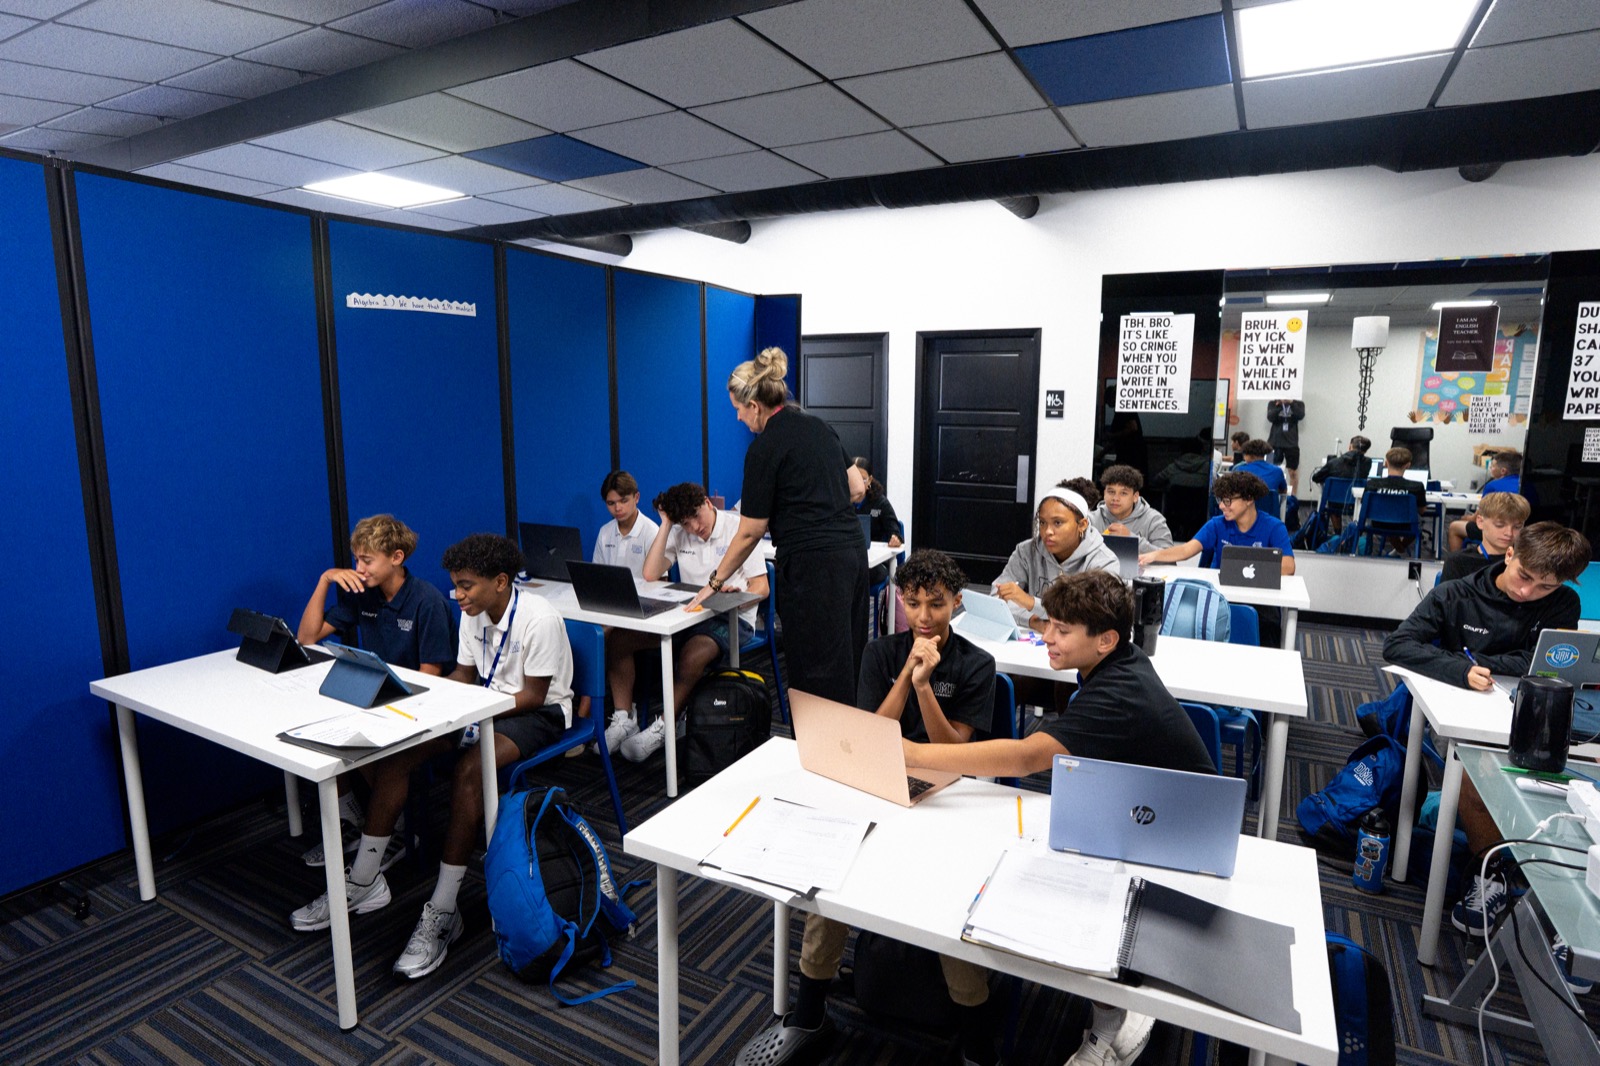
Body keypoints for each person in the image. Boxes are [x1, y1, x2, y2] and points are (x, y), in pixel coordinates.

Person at [902, 570, 1215, 1066]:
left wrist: (915, 755)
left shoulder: (1118, 691)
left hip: (1177, 841)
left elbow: (1027, 758)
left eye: (1062, 630)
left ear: (1106, 639)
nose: (1046, 635)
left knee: (1044, 884)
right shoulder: (1117, 664)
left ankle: (1122, 1009)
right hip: (1143, 811)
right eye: (1049, 623)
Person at [734, 550, 998, 1066]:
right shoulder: (881, 652)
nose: (924, 617)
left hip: (947, 792)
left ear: (957, 603)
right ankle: (808, 1015)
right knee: (827, 877)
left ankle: (979, 1049)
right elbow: (872, 729)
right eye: (915, 603)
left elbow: (957, 755)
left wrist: (927, 688)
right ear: (902, 600)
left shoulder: (976, 665)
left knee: (949, 900)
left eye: (937, 605)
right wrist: (907, 675)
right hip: (880, 779)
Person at [289, 533, 574, 982]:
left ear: (501, 582)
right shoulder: (472, 614)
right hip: (482, 704)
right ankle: (364, 881)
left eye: (466, 587)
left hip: (535, 714)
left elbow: (534, 694)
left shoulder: (539, 619)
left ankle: (443, 909)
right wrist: (428, 709)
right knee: (397, 755)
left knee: (469, 771)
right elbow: (462, 675)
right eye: (454, 586)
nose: (457, 596)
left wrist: (469, 711)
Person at [1382, 523, 1590, 938]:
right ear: (1509, 554)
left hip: (1533, 706)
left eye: (1546, 587)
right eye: (1525, 577)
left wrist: (1489, 662)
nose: (1529, 592)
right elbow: (1399, 645)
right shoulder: (1455, 593)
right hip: (1470, 710)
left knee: (1573, 781)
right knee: (1480, 773)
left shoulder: (1565, 602)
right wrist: (1458, 669)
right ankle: (1490, 871)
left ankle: (1569, 891)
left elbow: (1551, 663)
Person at [691, 348, 868, 706]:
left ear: (754, 405)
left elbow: (749, 532)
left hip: (813, 568)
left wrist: (714, 582)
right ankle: (853, 750)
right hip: (852, 555)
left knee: (815, 671)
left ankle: (819, 755)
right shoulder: (819, 426)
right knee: (849, 659)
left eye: (738, 410)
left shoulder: (764, 449)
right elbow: (857, 489)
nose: (739, 419)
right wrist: (817, 507)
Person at [294, 514, 455, 868]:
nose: (358, 568)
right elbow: (307, 637)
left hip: (418, 705)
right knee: (320, 734)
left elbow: (432, 677)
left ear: (396, 558)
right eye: (356, 560)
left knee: (366, 742)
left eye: (367, 560)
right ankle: (370, 820)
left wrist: (388, 705)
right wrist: (325, 580)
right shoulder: (361, 594)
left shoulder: (426, 601)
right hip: (377, 697)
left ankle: (392, 826)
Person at [604, 482, 768, 761]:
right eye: (685, 523)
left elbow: (762, 587)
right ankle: (624, 718)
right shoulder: (680, 531)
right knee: (619, 638)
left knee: (692, 655)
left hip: (733, 618)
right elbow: (650, 572)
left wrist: (738, 594)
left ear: (707, 502)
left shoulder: (738, 529)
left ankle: (664, 728)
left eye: (696, 517)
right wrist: (667, 524)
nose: (694, 527)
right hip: (690, 616)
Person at [994, 487, 1119, 631]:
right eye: (1042, 523)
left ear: (1082, 525)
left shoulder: (1104, 561)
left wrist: (1030, 603)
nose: (1048, 531)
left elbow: (1094, 616)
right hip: (1032, 638)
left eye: (1058, 523)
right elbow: (997, 599)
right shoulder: (1026, 551)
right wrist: (1033, 621)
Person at [1138, 471, 1296, 576]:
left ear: (1249, 499)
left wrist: (1249, 574)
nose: (1221, 506)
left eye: (1227, 501)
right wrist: (1154, 555)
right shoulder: (1217, 525)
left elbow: (1289, 567)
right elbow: (1186, 550)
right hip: (1221, 594)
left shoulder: (1274, 527)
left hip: (1260, 597)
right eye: (1220, 500)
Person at [1449, 450, 1529, 551]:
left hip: (1500, 533)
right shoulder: (1529, 486)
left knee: (1454, 527)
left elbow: (1479, 517)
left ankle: (1457, 562)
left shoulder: (1493, 486)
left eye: (1492, 466)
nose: (1490, 469)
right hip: (1524, 531)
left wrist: (1466, 518)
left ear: (1503, 471)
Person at [1440, 492, 1529, 583]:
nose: (1509, 533)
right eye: (1500, 525)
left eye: (1517, 527)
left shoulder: (1526, 563)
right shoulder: (1458, 562)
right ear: (1480, 522)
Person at [1089, 464, 1174, 553]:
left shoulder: (1153, 520)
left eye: (1123, 493)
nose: (1115, 498)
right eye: (1111, 492)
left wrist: (1131, 539)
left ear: (1135, 496)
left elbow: (1169, 556)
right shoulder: (1091, 519)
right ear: (1104, 493)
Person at [1358, 447, 1427, 556]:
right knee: (1417, 523)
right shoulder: (1417, 486)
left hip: (1377, 523)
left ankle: (1396, 551)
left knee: (1389, 518)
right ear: (1408, 465)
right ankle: (1399, 550)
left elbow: (1365, 505)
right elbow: (1422, 510)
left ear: (1386, 463)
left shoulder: (1372, 484)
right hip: (1406, 525)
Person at [592, 469, 659, 578]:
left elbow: (661, 581)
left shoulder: (652, 532)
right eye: (611, 503)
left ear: (636, 497)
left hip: (642, 594)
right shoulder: (605, 531)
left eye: (623, 501)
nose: (617, 508)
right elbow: (596, 574)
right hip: (610, 593)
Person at [1310, 435, 1371, 533]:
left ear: (1349, 446)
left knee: (1333, 505)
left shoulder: (1334, 462)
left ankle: (1338, 533)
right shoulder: (1368, 463)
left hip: (1335, 503)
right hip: (1356, 502)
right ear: (1366, 450)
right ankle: (1354, 535)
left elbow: (1316, 477)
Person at [1266, 399, 1305, 494]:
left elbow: (1300, 415)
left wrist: (1291, 403)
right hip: (1274, 443)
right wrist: (1279, 405)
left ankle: (1292, 498)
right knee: (1270, 470)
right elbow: (1270, 417)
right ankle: (1270, 495)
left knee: (1293, 473)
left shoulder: (1298, 403)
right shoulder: (1273, 403)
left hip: (1291, 443)